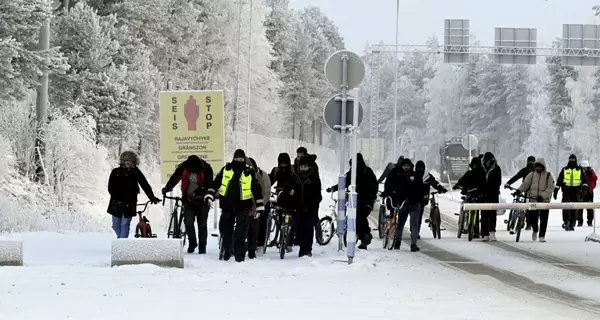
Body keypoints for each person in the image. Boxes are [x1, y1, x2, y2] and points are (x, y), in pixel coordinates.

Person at [205, 149, 264, 262]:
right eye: (237, 159)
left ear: (244, 159)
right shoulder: (226, 169)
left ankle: (239, 256)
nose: (239, 161)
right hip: (227, 204)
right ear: (233, 158)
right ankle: (227, 250)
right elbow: (216, 182)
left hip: (243, 206)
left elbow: (256, 188)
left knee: (241, 232)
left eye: (241, 159)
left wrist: (259, 204)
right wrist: (210, 194)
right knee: (226, 230)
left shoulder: (249, 171)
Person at [161, 155, 213, 254]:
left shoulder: (207, 168)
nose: (193, 171)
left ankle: (202, 246)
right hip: (188, 200)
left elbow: (208, 183)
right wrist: (167, 188)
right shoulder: (184, 167)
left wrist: (199, 192)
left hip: (203, 200)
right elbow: (175, 178)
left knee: (202, 224)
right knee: (188, 222)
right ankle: (192, 242)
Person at [326, 153, 378, 249]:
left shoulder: (367, 171)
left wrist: (361, 190)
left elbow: (374, 186)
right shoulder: (350, 173)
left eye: (356, 162)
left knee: (360, 217)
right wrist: (333, 188)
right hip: (354, 201)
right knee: (353, 217)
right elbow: (344, 182)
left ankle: (365, 237)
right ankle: (358, 236)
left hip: (366, 201)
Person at [107, 151, 160, 238]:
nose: (128, 162)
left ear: (133, 162)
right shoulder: (115, 171)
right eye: (126, 160)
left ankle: (122, 244)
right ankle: (121, 239)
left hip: (130, 202)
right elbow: (110, 187)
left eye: (130, 161)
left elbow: (145, 185)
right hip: (116, 202)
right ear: (122, 161)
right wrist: (116, 197)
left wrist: (152, 197)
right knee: (115, 225)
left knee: (125, 224)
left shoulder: (136, 172)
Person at [278, 155, 322, 257]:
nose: (303, 169)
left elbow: (317, 195)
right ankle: (302, 249)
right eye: (301, 167)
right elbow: (286, 190)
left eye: (305, 167)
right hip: (298, 208)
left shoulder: (314, 178)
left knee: (308, 228)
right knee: (300, 229)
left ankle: (308, 249)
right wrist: (287, 195)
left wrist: (313, 203)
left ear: (309, 167)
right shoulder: (294, 177)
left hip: (310, 208)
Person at [382, 158, 423, 252]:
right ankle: (397, 242)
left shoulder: (415, 175)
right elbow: (391, 186)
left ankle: (413, 244)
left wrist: (417, 198)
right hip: (402, 204)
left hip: (414, 204)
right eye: (404, 166)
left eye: (408, 166)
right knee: (400, 224)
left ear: (411, 166)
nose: (406, 167)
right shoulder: (396, 174)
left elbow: (420, 189)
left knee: (414, 225)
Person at [516, 158, 555, 242]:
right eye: (536, 167)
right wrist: (519, 190)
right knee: (533, 218)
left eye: (540, 167)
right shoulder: (532, 175)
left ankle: (542, 235)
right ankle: (535, 230)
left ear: (543, 167)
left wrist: (542, 196)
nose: (538, 169)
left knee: (544, 219)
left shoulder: (548, 175)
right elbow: (525, 184)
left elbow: (550, 188)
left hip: (544, 201)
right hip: (533, 200)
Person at [554, 154, 588, 231]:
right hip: (566, 191)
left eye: (573, 160)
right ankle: (566, 222)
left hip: (576, 192)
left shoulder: (580, 170)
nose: (572, 162)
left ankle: (572, 224)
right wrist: (556, 190)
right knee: (566, 207)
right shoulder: (565, 169)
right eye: (570, 160)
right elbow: (559, 180)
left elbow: (584, 180)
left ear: (576, 160)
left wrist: (584, 189)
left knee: (574, 208)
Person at [414, 160, 447, 238]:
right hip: (423, 198)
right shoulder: (427, 175)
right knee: (419, 215)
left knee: (416, 216)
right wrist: (441, 188)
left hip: (415, 198)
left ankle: (415, 232)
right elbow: (435, 183)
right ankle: (416, 231)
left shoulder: (414, 175)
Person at [247, 157, 271, 259]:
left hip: (259, 202)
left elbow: (266, 193)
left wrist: (260, 205)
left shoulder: (263, 176)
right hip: (247, 203)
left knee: (258, 222)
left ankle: (259, 241)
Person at [475, 152, 501, 242]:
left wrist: (492, 189)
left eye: (490, 161)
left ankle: (492, 232)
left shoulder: (497, 168)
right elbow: (478, 180)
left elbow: (498, 182)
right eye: (487, 161)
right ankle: (485, 233)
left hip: (493, 194)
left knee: (493, 214)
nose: (488, 163)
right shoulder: (481, 169)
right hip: (483, 195)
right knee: (484, 215)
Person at [504, 156, 536, 229]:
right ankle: (526, 223)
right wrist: (508, 183)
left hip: (530, 191)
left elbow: (516, 177)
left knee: (529, 207)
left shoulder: (528, 170)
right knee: (527, 207)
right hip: (527, 190)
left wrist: (508, 183)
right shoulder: (532, 171)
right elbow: (516, 177)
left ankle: (527, 223)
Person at [578, 160, 597, 227]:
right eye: (583, 168)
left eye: (585, 167)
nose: (584, 169)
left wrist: (590, 172)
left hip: (589, 192)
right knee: (580, 207)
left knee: (590, 208)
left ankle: (590, 221)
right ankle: (580, 221)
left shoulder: (591, 171)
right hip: (581, 192)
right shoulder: (578, 171)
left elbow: (595, 178)